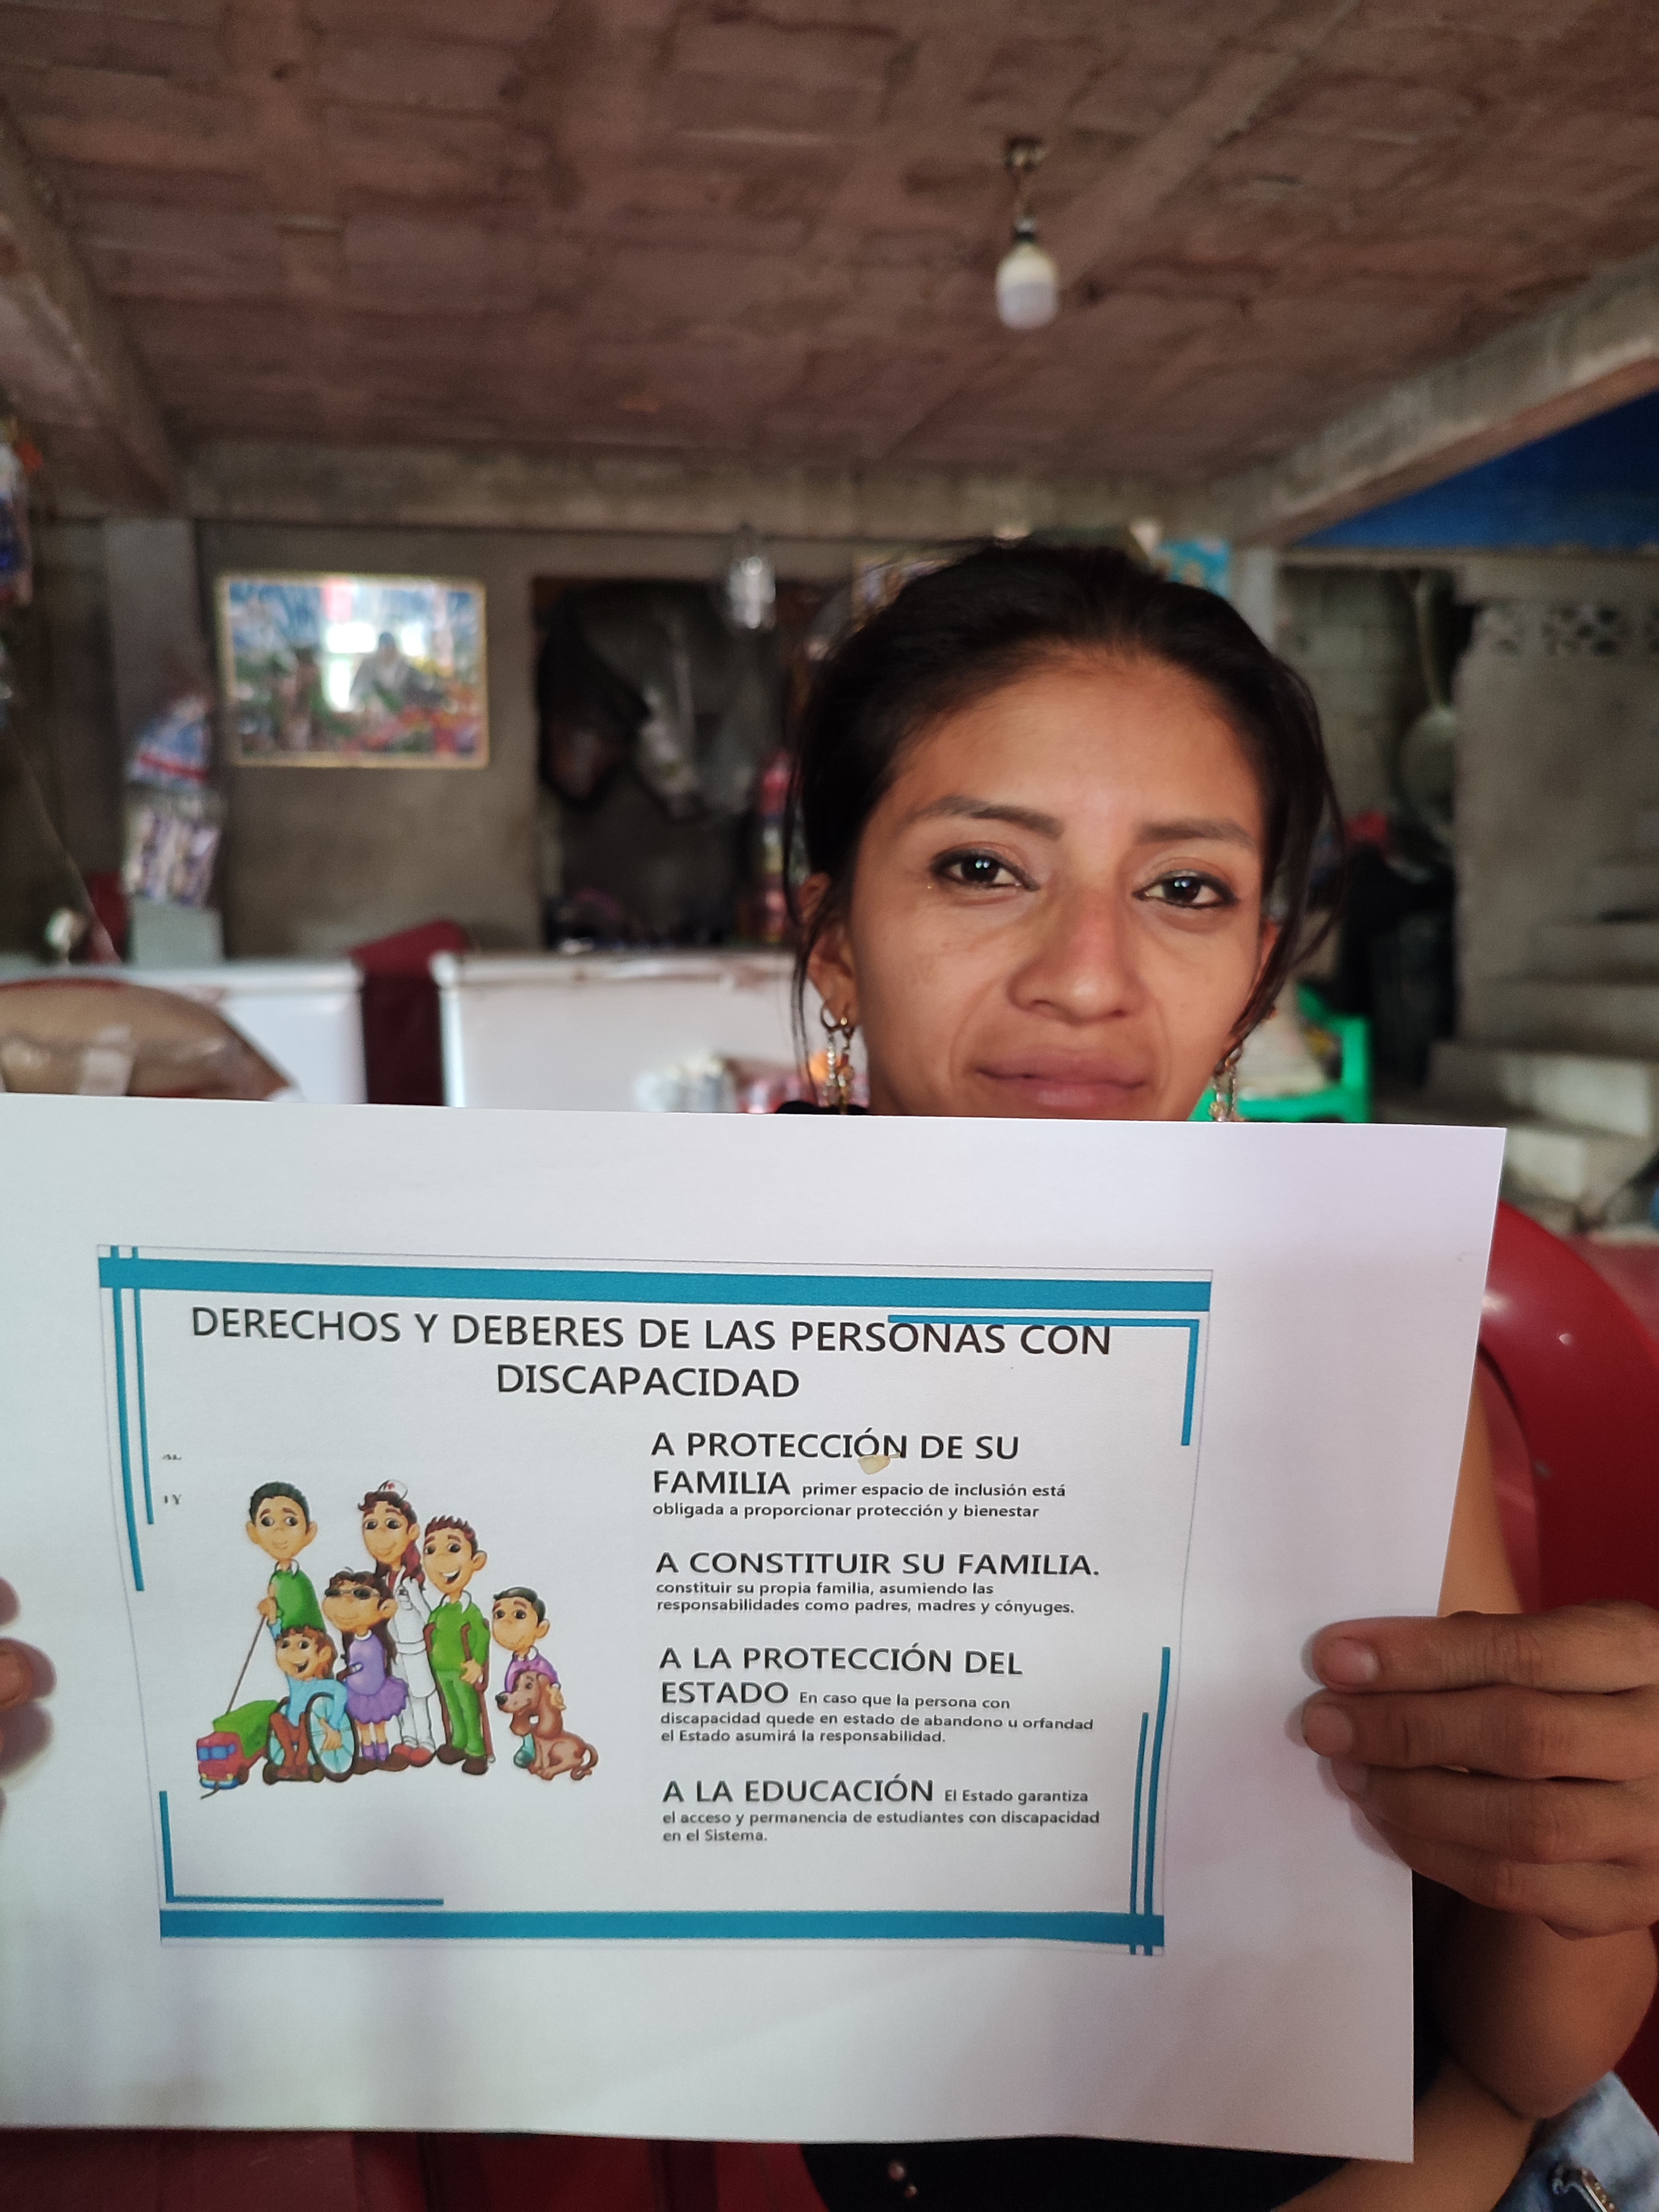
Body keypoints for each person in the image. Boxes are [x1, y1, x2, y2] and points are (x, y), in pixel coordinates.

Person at [784, 544, 1659, 2211]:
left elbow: (1520, 2062)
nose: (1086, 975)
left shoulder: (1351, 1360)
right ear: (832, 941)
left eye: (1181, 888)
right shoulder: (651, 1354)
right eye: (980, 866)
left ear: (1256, 966)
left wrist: (1580, 1843)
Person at [359, 1484, 442, 1765]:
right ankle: (407, 1739)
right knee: (401, 1698)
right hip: (394, 1652)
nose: (381, 1534)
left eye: (392, 1525)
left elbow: (428, 1617)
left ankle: (426, 1741)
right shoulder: (381, 1583)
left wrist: (412, 1599)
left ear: (412, 1532)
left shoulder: (410, 1581)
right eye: (372, 1525)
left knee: (419, 1698)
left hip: (415, 1650)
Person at [422, 1516, 492, 1774]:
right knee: (452, 1708)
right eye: (430, 1550)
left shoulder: (470, 1611)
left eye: (453, 1548)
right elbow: (431, 1632)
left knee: (468, 1709)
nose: (441, 1559)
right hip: (442, 1671)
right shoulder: (439, 1611)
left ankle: (476, 1748)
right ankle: (459, 1741)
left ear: (476, 1561)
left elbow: (482, 1636)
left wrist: (477, 1663)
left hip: (463, 1670)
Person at [321, 1567, 409, 1772]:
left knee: (378, 1726)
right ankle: (369, 1757)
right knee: (363, 1727)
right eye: (336, 1594)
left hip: (375, 1690)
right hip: (358, 1690)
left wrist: (349, 1672)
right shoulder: (353, 1642)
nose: (346, 1602)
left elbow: (368, 1664)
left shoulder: (374, 1643)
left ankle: (383, 1756)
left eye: (360, 1594)